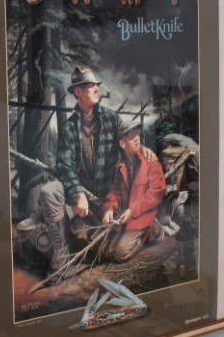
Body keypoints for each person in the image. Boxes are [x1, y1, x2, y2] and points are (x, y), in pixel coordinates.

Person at [37, 66, 155, 275]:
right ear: (78, 92)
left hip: (111, 200)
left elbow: (129, 141)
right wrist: (78, 194)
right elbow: (65, 166)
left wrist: (142, 150)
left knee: (116, 250)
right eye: (90, 85)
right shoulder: (69, 129)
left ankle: (143, 231)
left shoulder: (111, 119)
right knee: (49, 191)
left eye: (96, 85)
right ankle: (62, 257)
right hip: (84, 202)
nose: (97, 89)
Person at [101, 120, 166, 262]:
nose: (137, 139)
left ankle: (152, 231)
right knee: (106, 251)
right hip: (126, 217)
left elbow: (157, 191)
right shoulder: (120, 166)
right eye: (131, 136)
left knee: (121, 254)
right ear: (122, 143)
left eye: (137, 134)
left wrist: (133, 210)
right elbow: (115, 191)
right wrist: (110, 208)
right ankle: (140, 233)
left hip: (142, 217)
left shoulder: (151, 162)